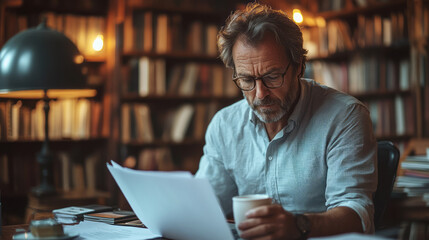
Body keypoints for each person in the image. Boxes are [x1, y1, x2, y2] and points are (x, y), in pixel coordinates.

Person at [195, 2, 377, 240]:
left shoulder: (344, 117)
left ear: (299, 66)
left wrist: (299, 225)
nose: (260, 94)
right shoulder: (224, 125)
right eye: (247, 80)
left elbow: (357, 214)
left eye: (272, 77)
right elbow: (203, 206)